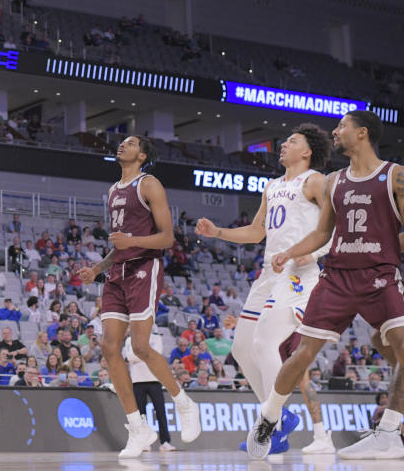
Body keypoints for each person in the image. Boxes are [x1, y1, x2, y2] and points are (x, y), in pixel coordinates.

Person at [247, 111, 404, 460]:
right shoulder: (333, 181)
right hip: (337, 276)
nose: (335, 131)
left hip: (380, 274)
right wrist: (290, 251)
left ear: (361, 133)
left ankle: (389, 433)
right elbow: (321, 233)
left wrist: (385, 241)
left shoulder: (395, 176)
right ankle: (268, 419)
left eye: (342, 126)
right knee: (303, 352)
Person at [197, 123, 335, 455]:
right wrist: (218, 232)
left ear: (307, 152)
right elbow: (257, 232)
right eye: (284, 140)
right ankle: (279, 417)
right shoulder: (271, 186)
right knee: (242, 348)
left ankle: (269, 421)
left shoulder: (316, 181)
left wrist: (303, 253)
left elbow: (332, 231)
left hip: (298, 272)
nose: (283, 144)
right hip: (268, 272)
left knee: (264, 341)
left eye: (292, 141)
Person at [78, 136, 200, 458]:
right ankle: (137, 427)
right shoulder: (113, 190)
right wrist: (98, 267)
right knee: (108, 347)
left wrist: (130, 241)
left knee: (142, 346)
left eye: (129, 143)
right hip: (117, 272)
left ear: (142, 154)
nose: (122, 145)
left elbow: (167, 238)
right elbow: (119, 244)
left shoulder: (149, 184)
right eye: (121, 142)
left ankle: (184, 403)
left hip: (145, 267)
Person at [124, 331, 174, 451]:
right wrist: (146, 354)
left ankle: (165, 442)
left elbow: (156, 355)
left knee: (161, 412)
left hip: (155, 379)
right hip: (136, 381)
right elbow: (129, 357)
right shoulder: (129, 340)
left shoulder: (156, 338)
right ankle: (143, 442)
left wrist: (139, 355)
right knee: (141, 415)